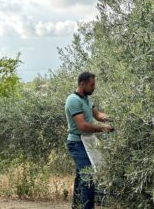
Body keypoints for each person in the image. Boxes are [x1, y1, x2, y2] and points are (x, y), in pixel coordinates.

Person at [65, 72, 114, 209]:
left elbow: (97, 115)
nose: (94, 88)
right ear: (82, 84)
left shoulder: (86, 98)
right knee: (88, 175)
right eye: (92, 85)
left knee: (82, 176)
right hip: (77, 143)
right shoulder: (73, 100)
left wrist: (113, 117)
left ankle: (76, 206)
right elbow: (83, 126)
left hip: (87, 140)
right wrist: (103, 128)